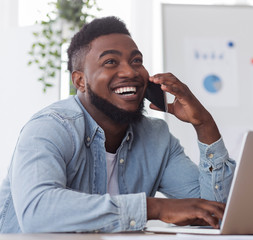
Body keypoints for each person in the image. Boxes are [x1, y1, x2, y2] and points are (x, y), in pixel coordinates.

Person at [0, 16, 236, 233]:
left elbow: (216, 211)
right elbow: (37, 212)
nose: (130, 71)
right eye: (111, 61)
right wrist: (154, 208)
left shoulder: (157, 137)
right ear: (80, 81)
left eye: (137, 61)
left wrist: (204, 124)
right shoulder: (51, 127)